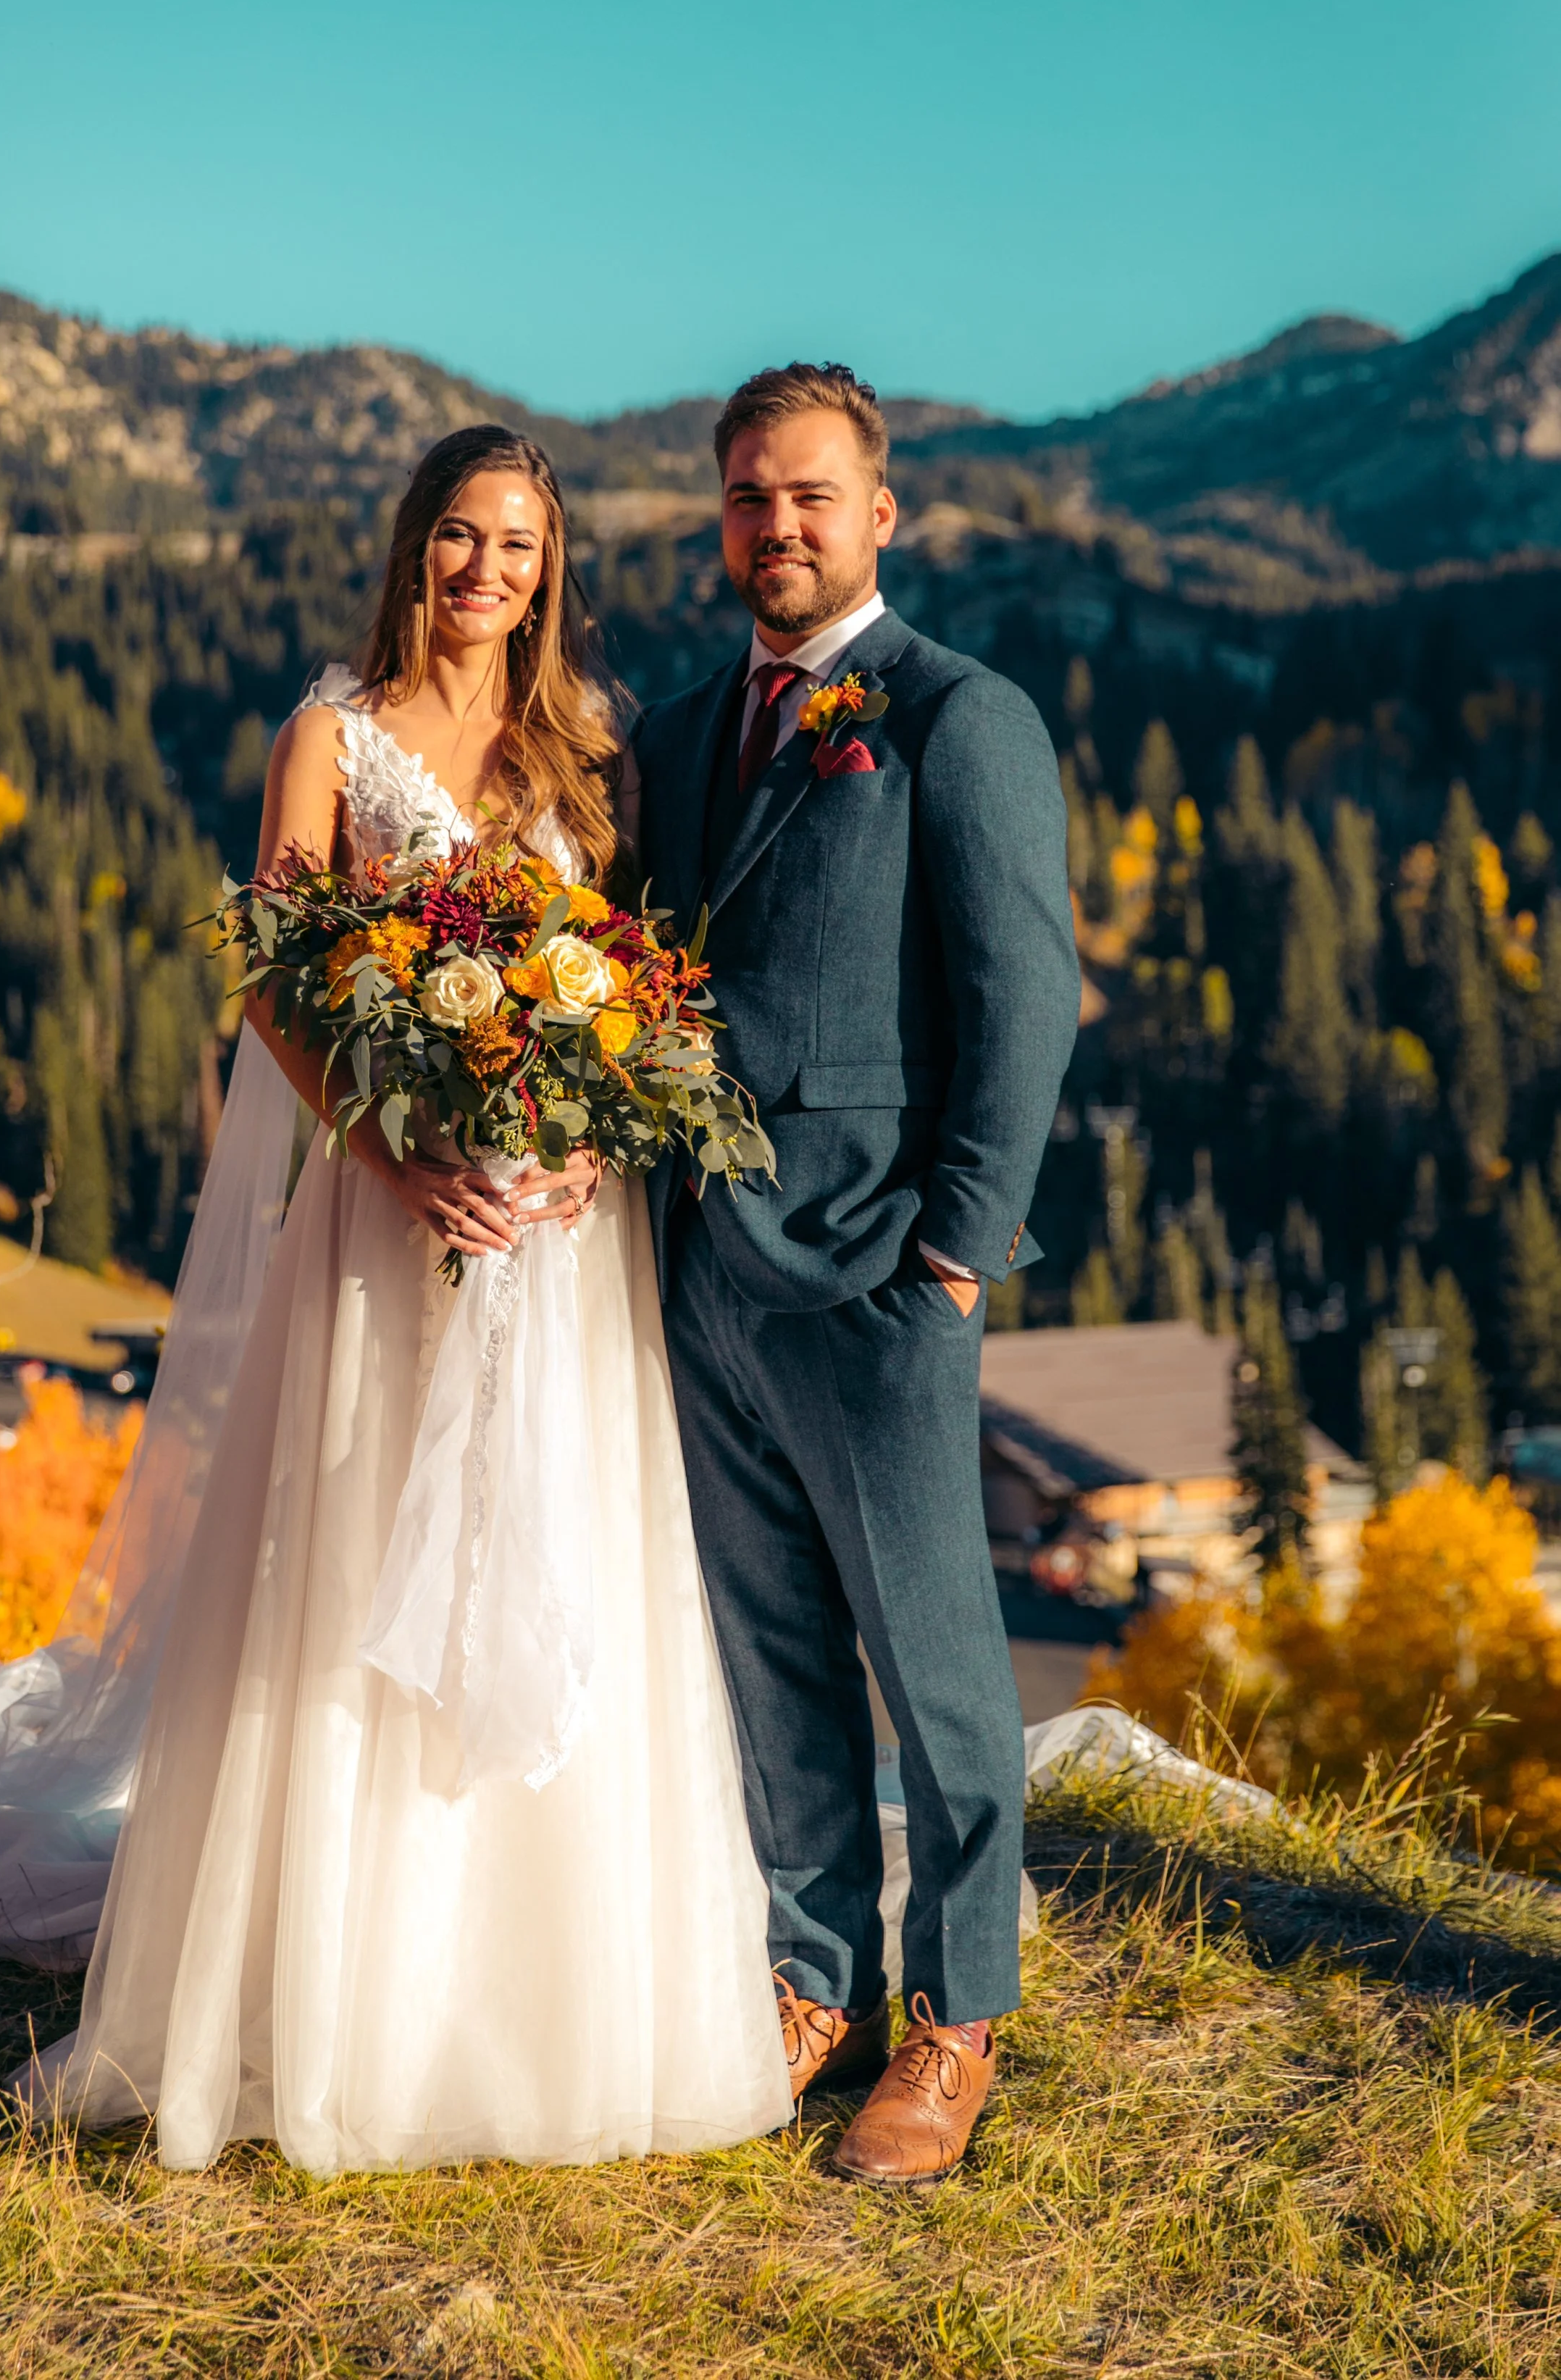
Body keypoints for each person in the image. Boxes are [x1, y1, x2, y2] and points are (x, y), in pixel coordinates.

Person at [0, 424, 792, 2176]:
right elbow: (276, 987)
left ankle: (555, 2004)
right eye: (458, 537)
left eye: (517, 545)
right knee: (350, 1564)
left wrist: (586, 1151)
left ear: (547, 567)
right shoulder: (328, 737)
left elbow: (636, 990)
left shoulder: (587, 745)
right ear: (412, 545)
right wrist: (398, 1159)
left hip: (563, 1251)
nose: (485, 570)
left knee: (562, 1556)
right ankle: (348, 1997)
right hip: (384, 1222)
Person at [632, 364, 1078, 2185]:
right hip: (697, 1272)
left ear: (879, 512)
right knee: (772, 1660)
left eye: (808, 494)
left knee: (941, 1671)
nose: (776, 525)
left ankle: (955, 2020)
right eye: (746, 496)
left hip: (878, 1273)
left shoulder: (954, 717)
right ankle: (809, 1986)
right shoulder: (670, 738)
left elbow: (1024, 1000)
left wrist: (956, 1259)